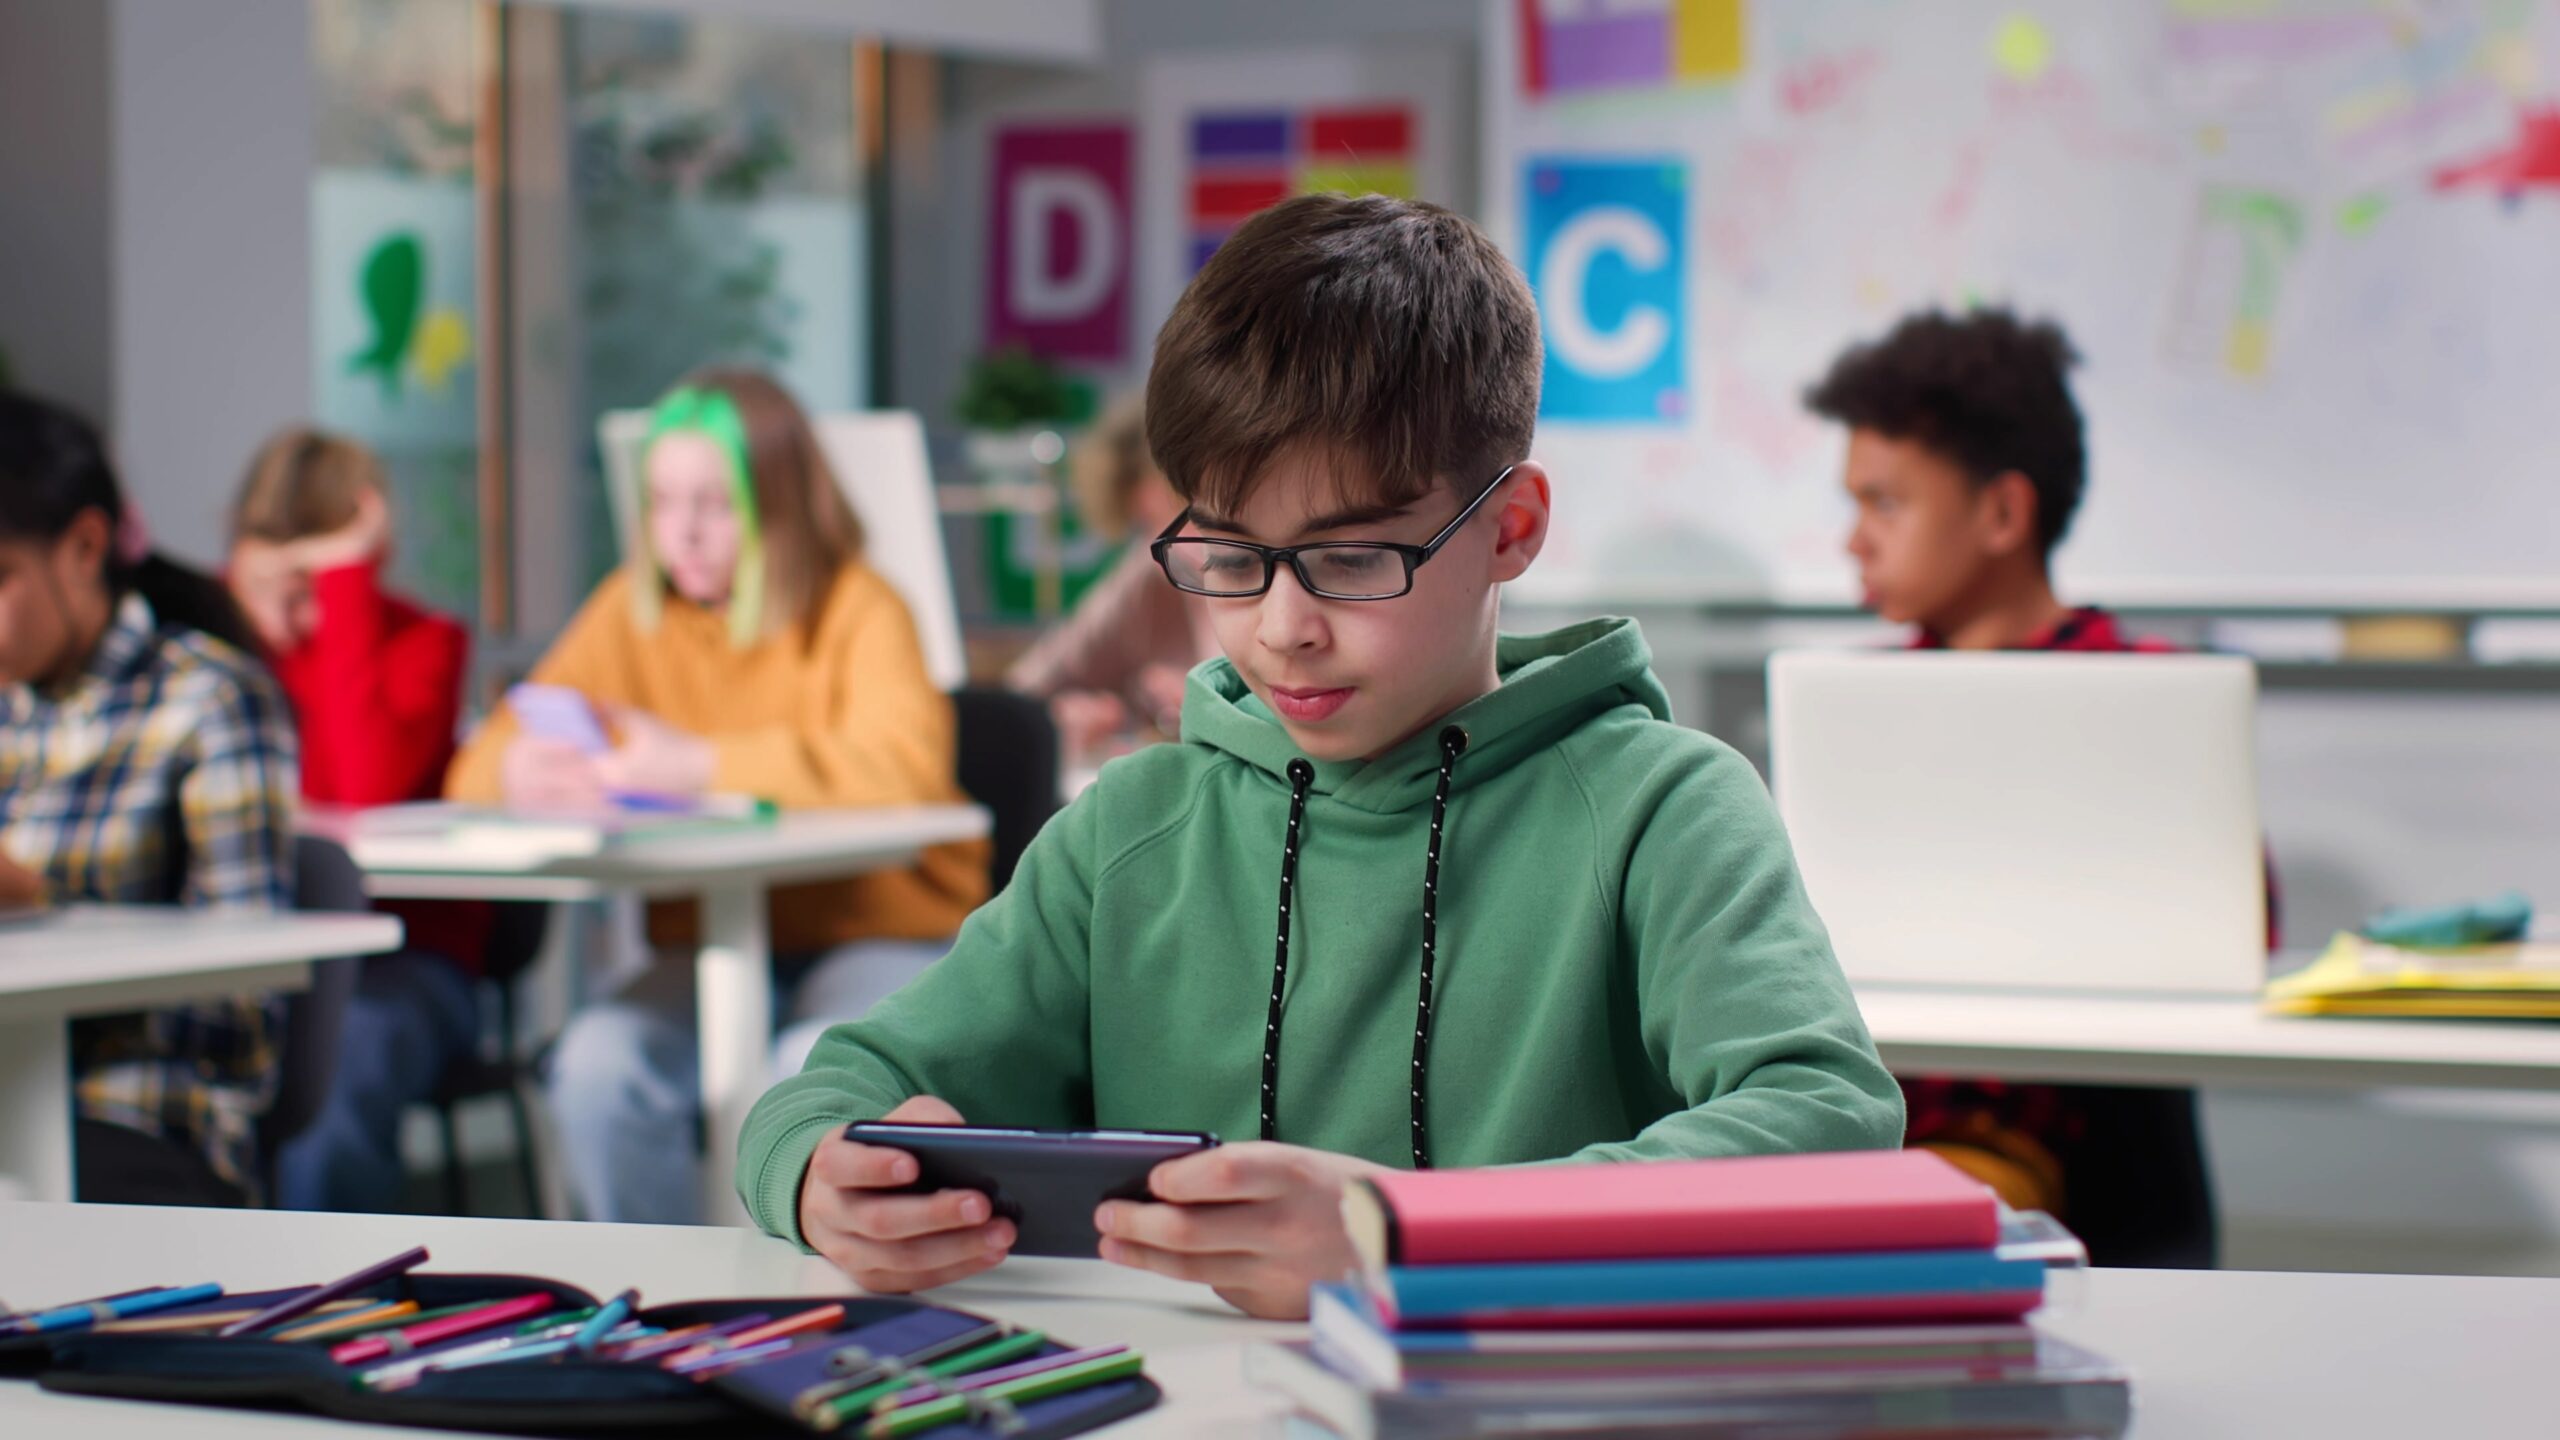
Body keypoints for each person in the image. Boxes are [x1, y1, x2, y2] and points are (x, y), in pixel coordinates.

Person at [745, 195, 1903, 1320]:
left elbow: (1826, 1119)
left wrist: (1408, 1235)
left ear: (1511, 528)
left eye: (1349, 561)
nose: (1281, 626)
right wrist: (815, 1174)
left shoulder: (1665, 808)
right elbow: (839, 1085)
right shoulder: (1129, 828)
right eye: (1230, 556)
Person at [445, 368, 989, 1224]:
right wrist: (516, 770)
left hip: (881, 933)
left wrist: (699, 764)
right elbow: (482, 759)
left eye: (714, 503)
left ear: (778, 504)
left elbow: (902, 765)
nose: (682, 534)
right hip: (719, 947)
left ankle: (797, 1310)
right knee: (597, 1067)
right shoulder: (635, 611)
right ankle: (664, 1312)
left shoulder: (861, 606)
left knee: (803, 1075)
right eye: (662, 503)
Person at [1804, 306, 2230, 1267]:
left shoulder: (2144, 694)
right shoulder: (1860, 703)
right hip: (1890, 1120)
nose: (1853, 541)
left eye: (1885, 503)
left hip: (2077, 1154)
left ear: (2001, 513)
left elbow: (2233, 921)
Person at [0, 390, 298, 1205]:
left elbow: (247, 1005)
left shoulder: (206, 700)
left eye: (0, 579)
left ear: (84, 546)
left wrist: (49, 911)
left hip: (139, 1115)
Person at [226, 427, 487, 1213]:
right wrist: (241, 617)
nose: (299, 599)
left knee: (340, 1053)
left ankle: (325, 1292)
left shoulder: (424, 643)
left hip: (406, 968)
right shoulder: (225, 646)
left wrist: (342, 591)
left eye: (319, 571)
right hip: (254, 953)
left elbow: (365, 786)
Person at [1005, 394, 1215, 754]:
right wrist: (1063, 720)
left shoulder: (1244, 572)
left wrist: (1211, 706)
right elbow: (1024, 694)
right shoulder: (1150, 574)